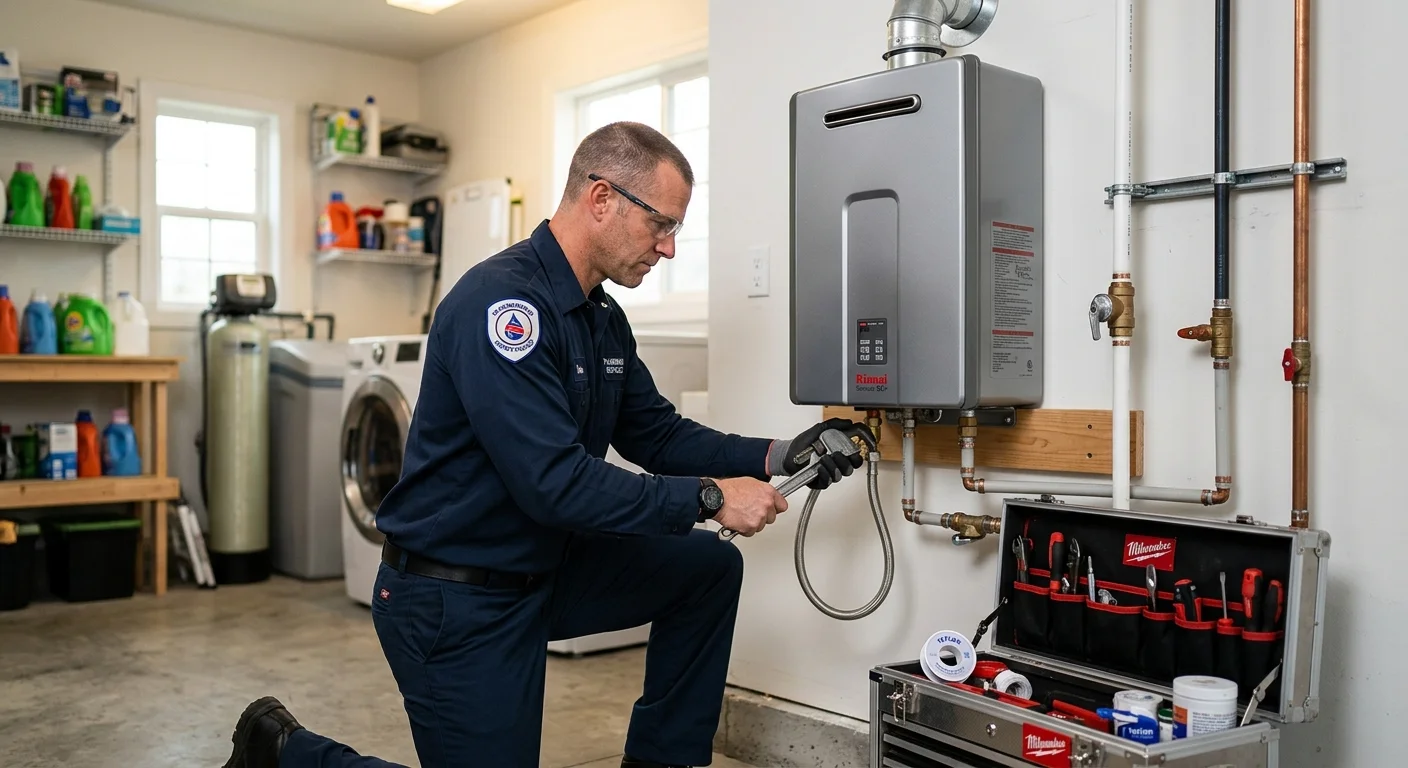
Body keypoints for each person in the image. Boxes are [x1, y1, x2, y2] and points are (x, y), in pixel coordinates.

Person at [222, 121, 865, 768]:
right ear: (602, 199)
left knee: (706, 570)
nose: (668, 248)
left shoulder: (600, 318)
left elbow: (658, 434)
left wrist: (780, 455)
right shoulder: (502, 305)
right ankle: (286, 753)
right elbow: (554, 482)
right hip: (456, 596)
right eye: (661, 226)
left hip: (544, 570)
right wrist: (709, 496)